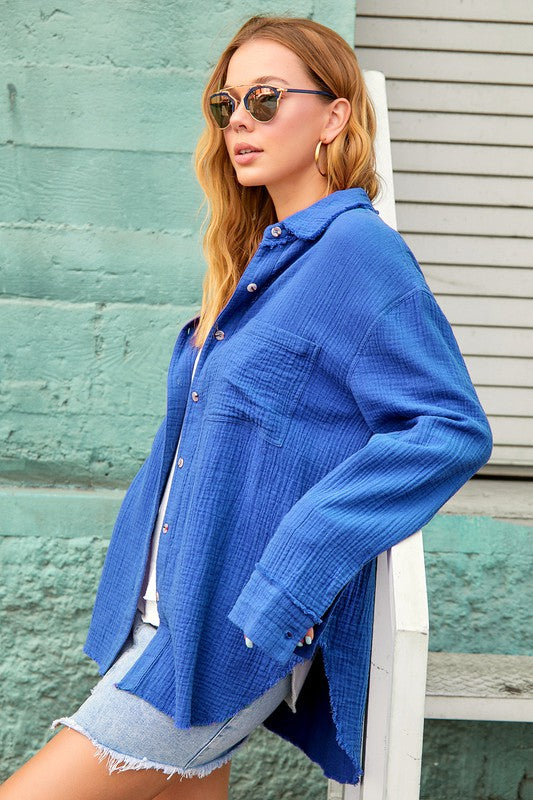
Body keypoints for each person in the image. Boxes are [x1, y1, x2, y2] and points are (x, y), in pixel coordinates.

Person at [0, 14, 493, 800]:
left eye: (265, 99)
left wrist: (297, 569)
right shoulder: (263, 260)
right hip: (164, 614)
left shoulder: (355, 252)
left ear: (333, 116)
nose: (238, 121)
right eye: (225, 104)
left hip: (217, 636)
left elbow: (447, 428)